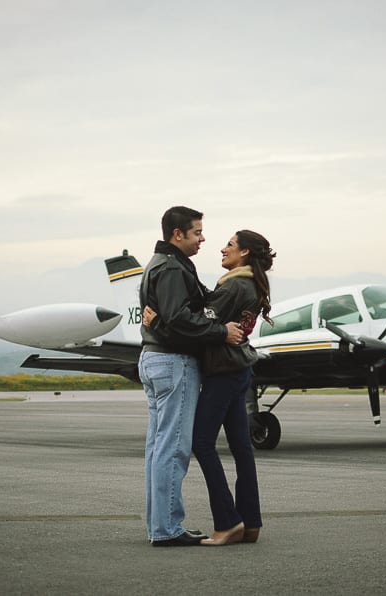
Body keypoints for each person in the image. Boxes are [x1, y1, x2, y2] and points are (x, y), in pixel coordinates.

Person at [145, 229, 275, 547]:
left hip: (223, 372)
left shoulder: (233, 286)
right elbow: (211, 312)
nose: (222, 248)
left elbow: (198, 321)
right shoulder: (252, 283)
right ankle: (251, 522)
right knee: (241, 447)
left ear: (244, 253)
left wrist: (158, 324)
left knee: (202, 443)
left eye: (230, 244)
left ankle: (228, 522)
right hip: (240, 369)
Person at [138, 206, 244, 547]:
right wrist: (220, 332)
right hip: (173, 363)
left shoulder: (160, 264)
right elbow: (181, 318)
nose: (203, 238)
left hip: (153, 359)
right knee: (173, 449)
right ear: (177, 234)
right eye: (197, 232)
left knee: (158, 448)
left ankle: (159, 526)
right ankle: (168, 529)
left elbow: (171, 316)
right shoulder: (171, 267)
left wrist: (158, 323)